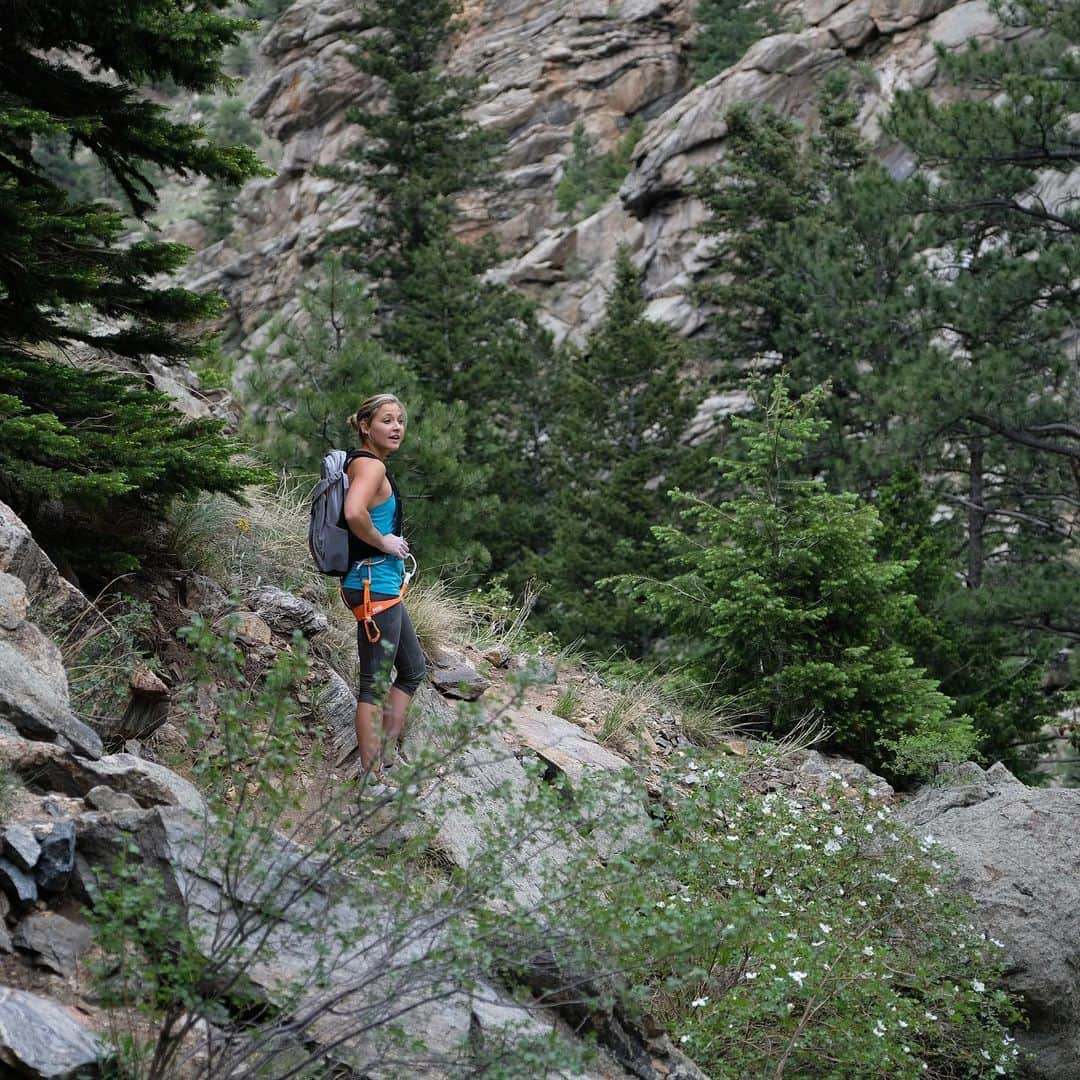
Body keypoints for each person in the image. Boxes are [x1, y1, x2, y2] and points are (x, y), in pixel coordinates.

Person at [340, 393, 425, 791]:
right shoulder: (370, 468)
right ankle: (370, 778)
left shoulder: (361, 463)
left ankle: (382, 763)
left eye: (400, 421)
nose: (396, 428)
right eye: (387, 420)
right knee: (373, 683)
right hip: (373, 585)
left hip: (380, 585)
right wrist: (384, 542)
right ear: (365, 426)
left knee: (411, 670)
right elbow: (354, 512)